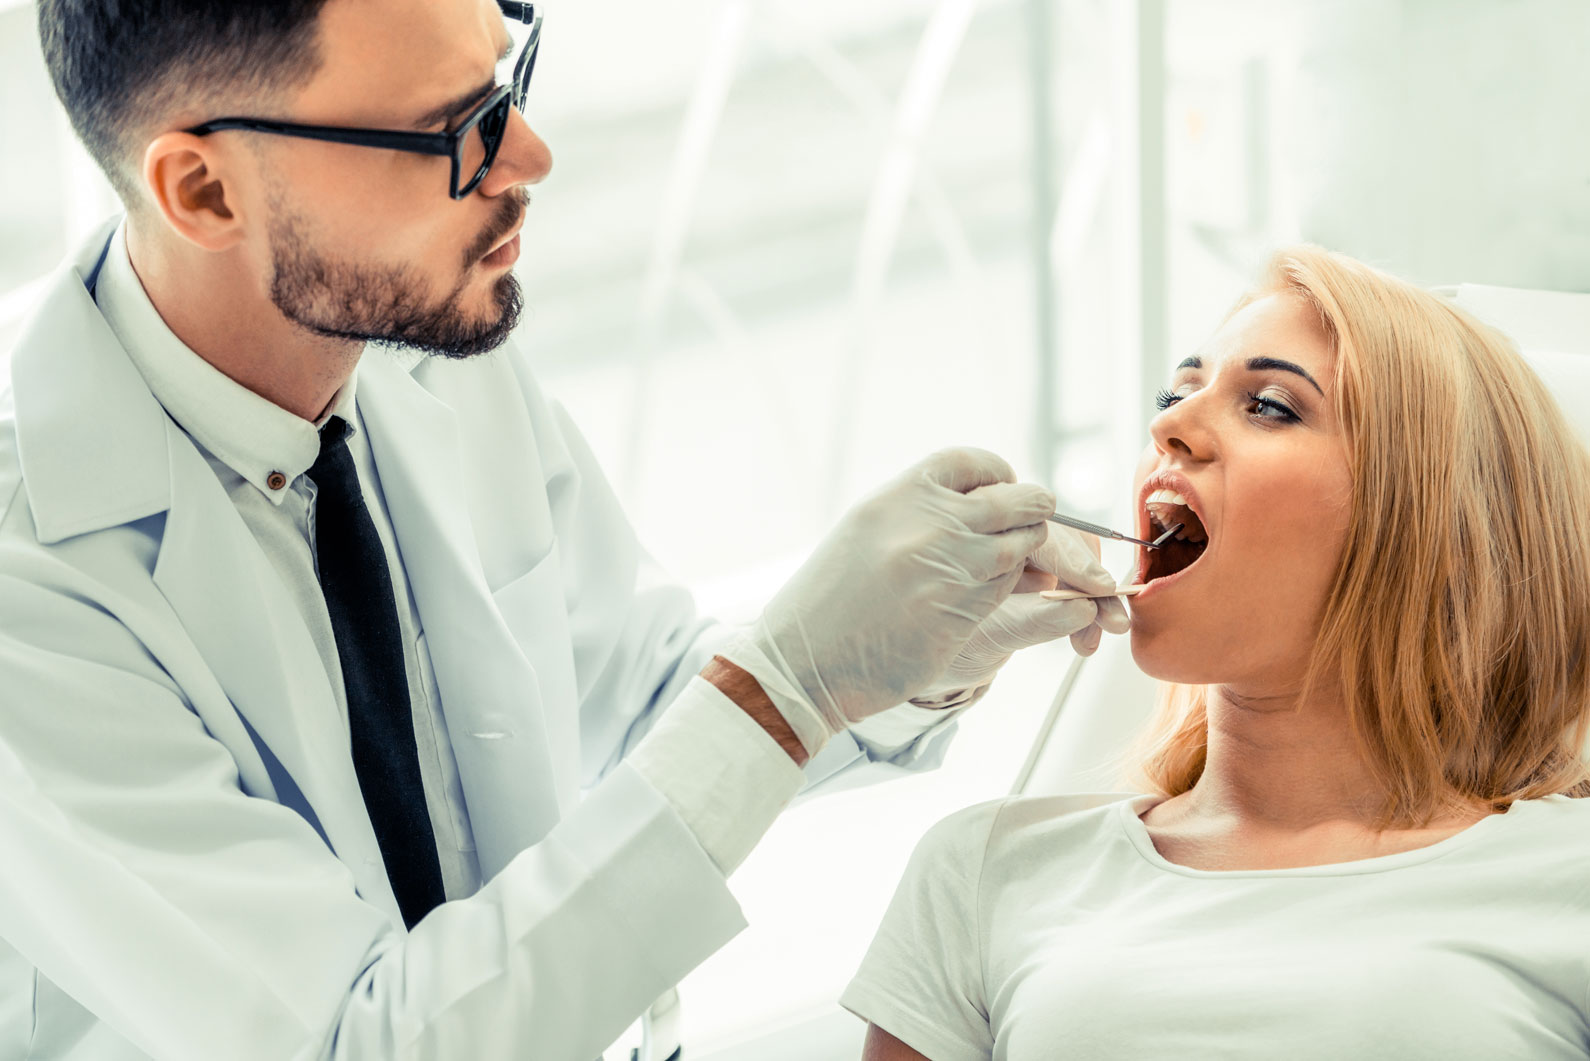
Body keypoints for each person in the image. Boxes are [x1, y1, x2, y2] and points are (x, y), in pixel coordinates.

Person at [0, 0, 1132, 1057]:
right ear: (202, 191)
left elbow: (637, 706)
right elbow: (365, 1037)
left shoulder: (414, 344)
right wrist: (793, 678)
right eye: (452, 130)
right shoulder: (30, 579)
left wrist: (908, 653)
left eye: (507, 78)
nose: (529, 156)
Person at [843, 246, 1590, 1061]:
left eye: (1269, 405)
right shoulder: (986, 870)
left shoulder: (1567, 877)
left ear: (1432, 525)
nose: (1167, 425)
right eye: (1176, 392)